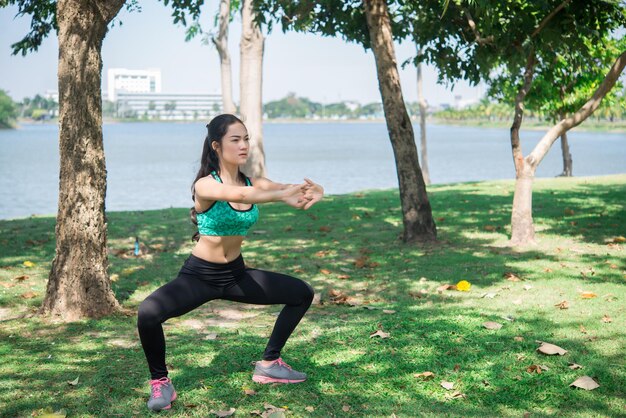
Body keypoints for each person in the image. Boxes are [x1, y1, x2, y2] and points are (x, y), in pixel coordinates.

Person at [136, 114, 324, 412]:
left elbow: (283, 191)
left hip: (236, 275)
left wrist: (311, 192)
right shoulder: (205, 186)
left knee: (302, 293)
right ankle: (161, 382)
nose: (243, 145)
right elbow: (241, 194)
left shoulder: (255, 181)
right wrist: (280, 194)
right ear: (216, 146)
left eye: (246, 138)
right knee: (148, 313)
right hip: (200, 276)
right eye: (235, 139)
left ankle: (270, 364)